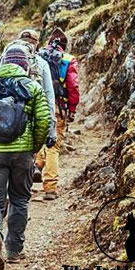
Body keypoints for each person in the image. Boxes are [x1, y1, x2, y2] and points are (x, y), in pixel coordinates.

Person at [0, 47, 51, 270]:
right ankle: (14, 250)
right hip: (22, 154)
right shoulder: (32, 87)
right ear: (24, 65)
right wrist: (33, 147)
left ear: (3, 63)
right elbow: (44, 119)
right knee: (20, 200)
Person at [35, 28, 80, 200]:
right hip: (58, 107)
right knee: (53, 146)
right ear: (64, 45)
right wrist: (72, 109)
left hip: (38, 104)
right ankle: (50, 188)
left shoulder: (38, 57)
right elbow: (73, 86)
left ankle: (37, 166)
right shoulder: (69, 60)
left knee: (38, 138)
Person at [0, 28, 57, 149]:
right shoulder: (41, 63)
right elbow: (49, 98)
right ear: (37, 44)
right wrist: (51, 132)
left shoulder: (3, 59)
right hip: (26, 129)